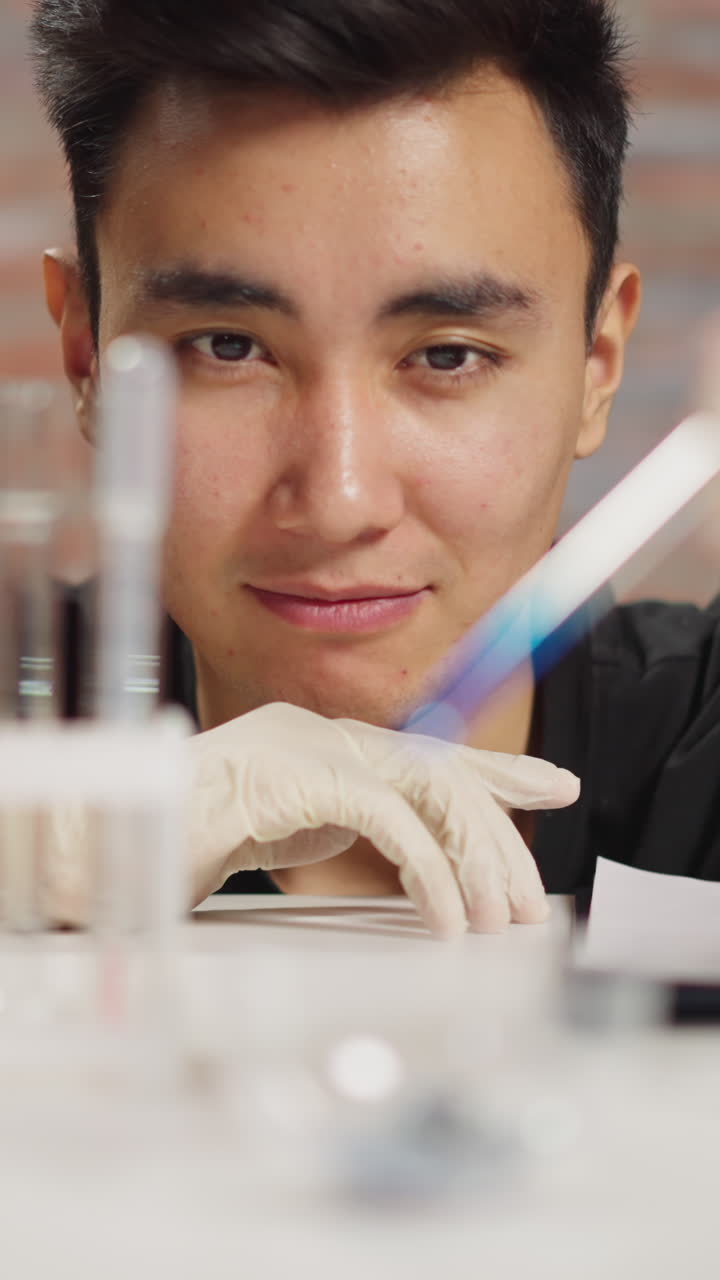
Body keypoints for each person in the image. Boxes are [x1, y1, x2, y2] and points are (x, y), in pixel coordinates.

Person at [29, 1, 720, 934]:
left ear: (596, 367)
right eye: (228, 346)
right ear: (87, 360)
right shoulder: (20, 723)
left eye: (447, 356)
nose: (338, 501)